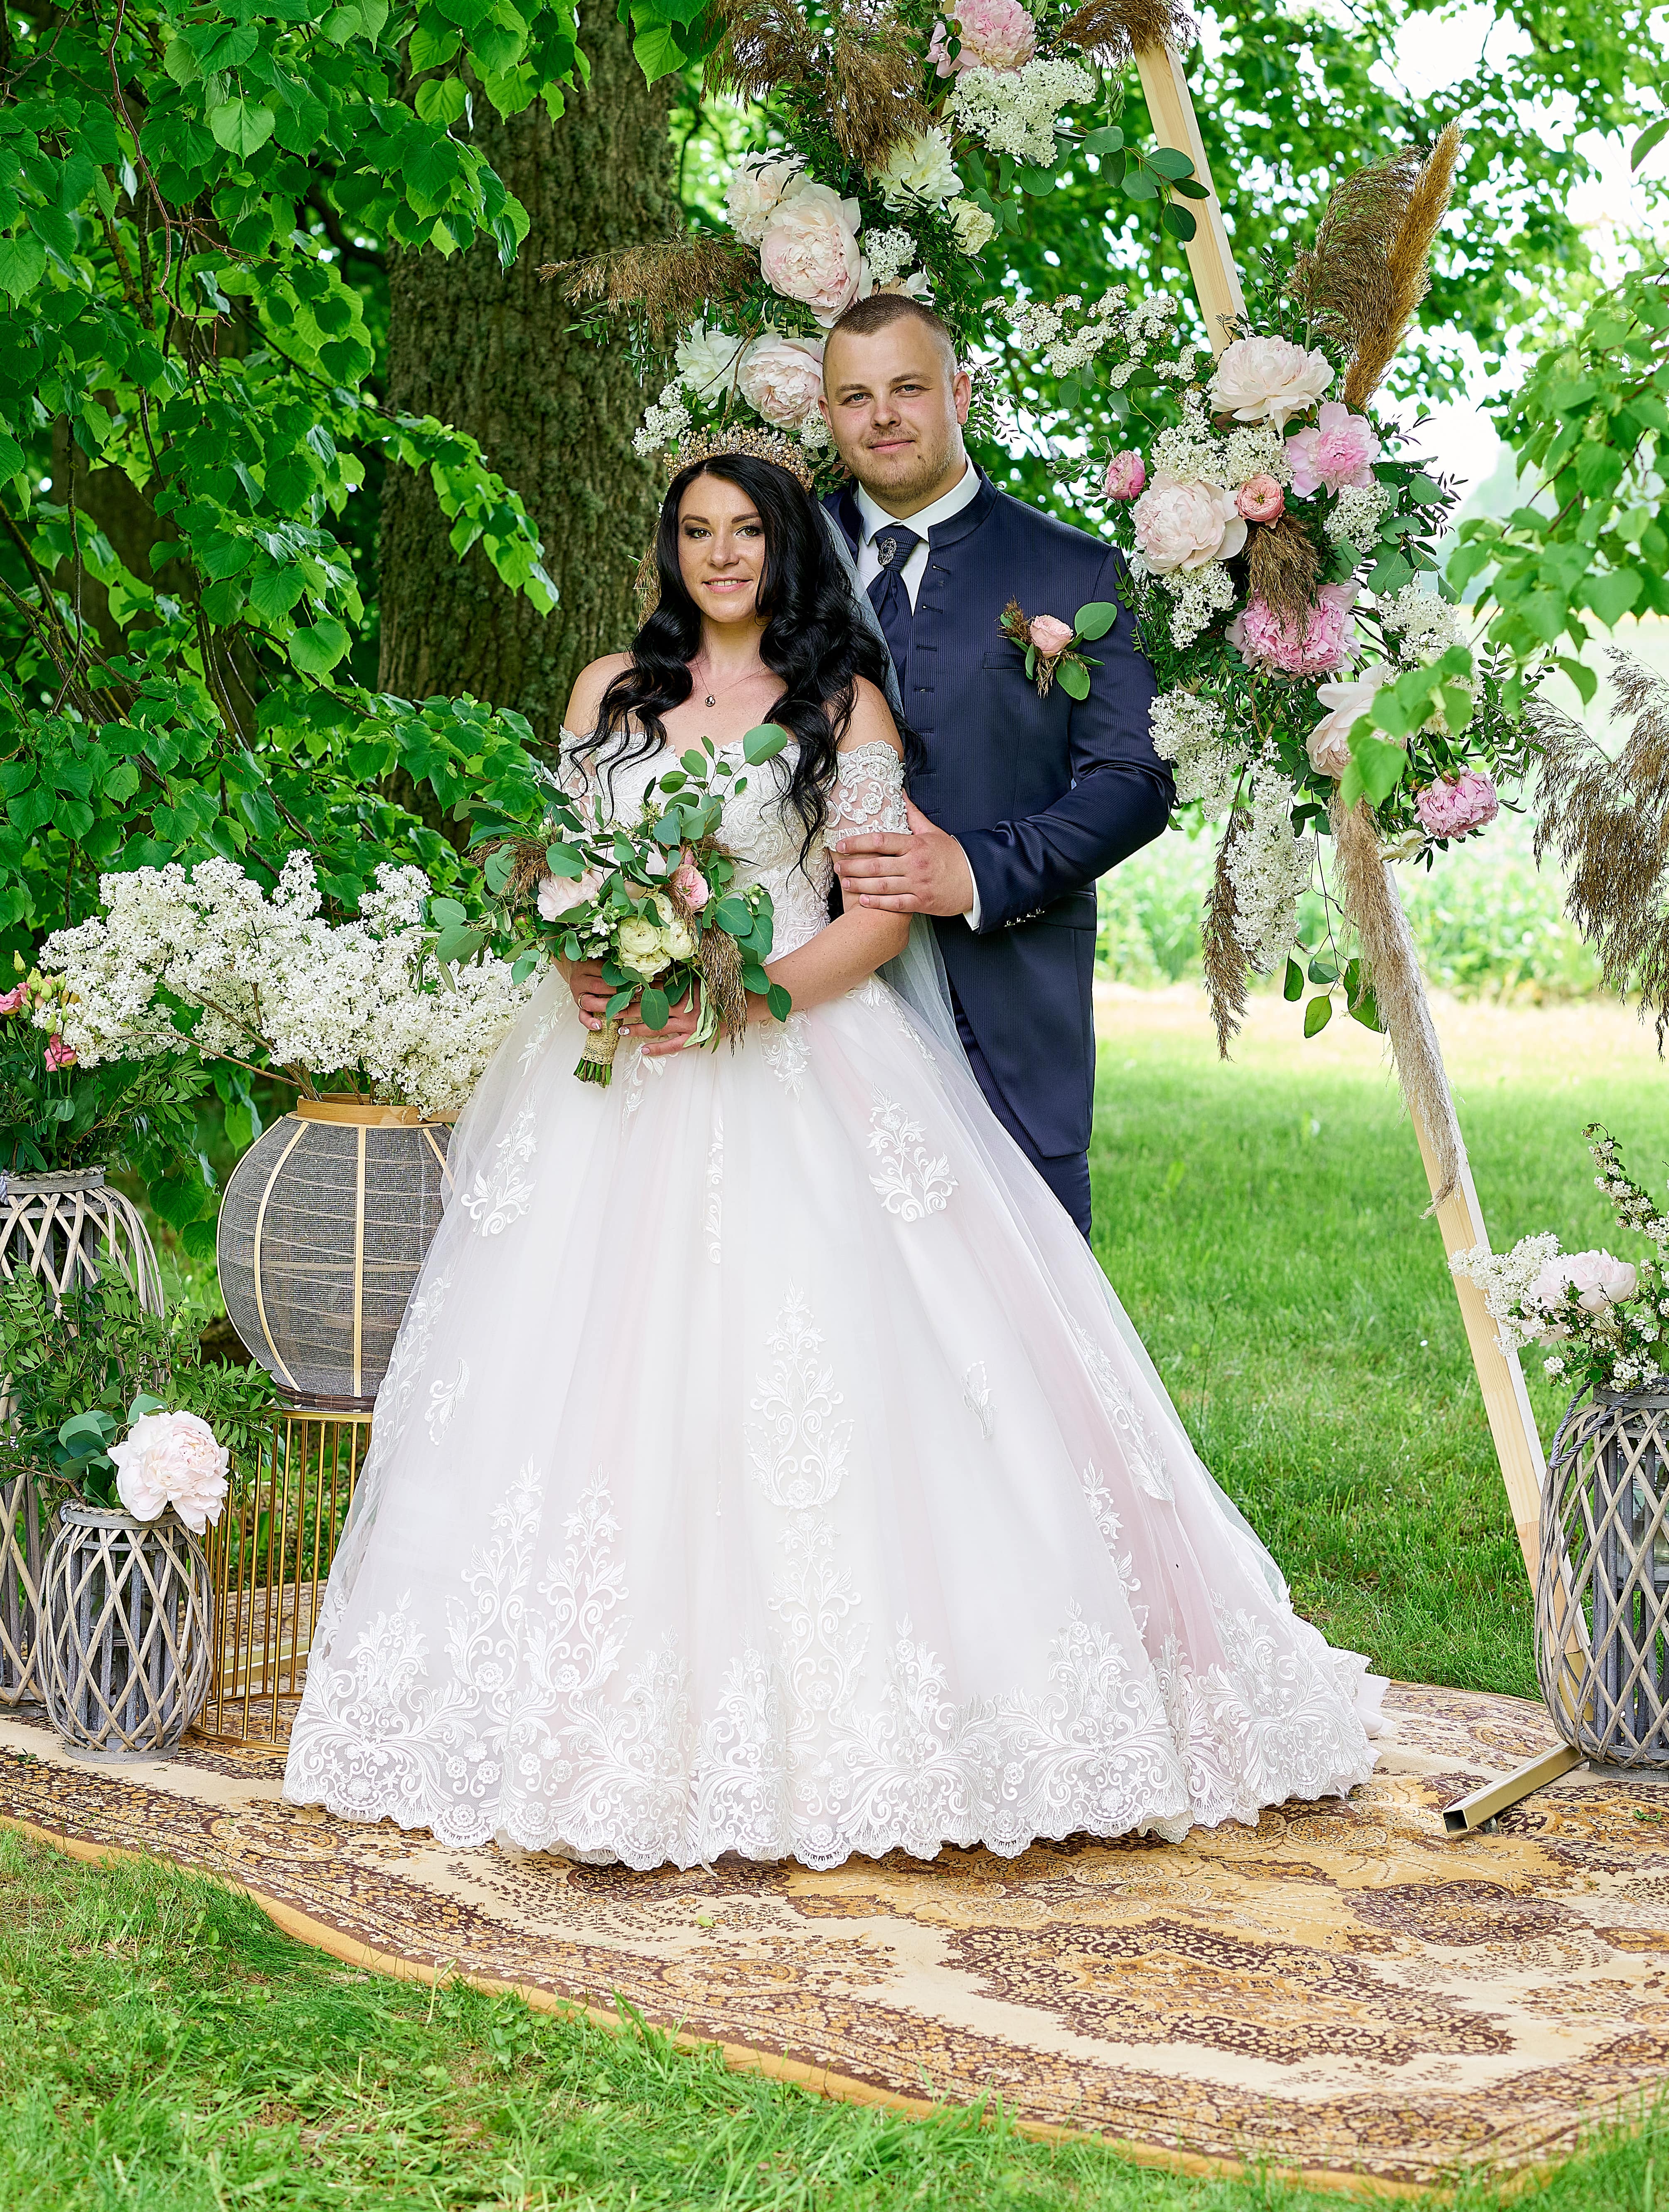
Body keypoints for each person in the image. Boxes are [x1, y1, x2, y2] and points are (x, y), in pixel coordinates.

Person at [283, 436, 1381, 1873]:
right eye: (696, 531)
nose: (721, 555)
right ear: (670, 550)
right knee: (588, 1371)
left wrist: (740, 998)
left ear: (785, 545)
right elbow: (562, 877)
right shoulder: (609, 694)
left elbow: (876, 915)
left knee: (826, 1372)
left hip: (793, 1049)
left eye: (746, 530)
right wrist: (585, 969)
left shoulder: (841, 702)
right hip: (611, 1077)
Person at [820, 293, 1170, 1237]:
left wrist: (974, 869)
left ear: (960, 393)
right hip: (812, 998)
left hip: (1009, 998)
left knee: (1034, 1286)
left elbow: (1135, 782)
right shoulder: (776, 560)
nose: (882, 416)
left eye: (907, 388)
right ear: (827, 413)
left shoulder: (1078, 571)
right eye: (855, 397)